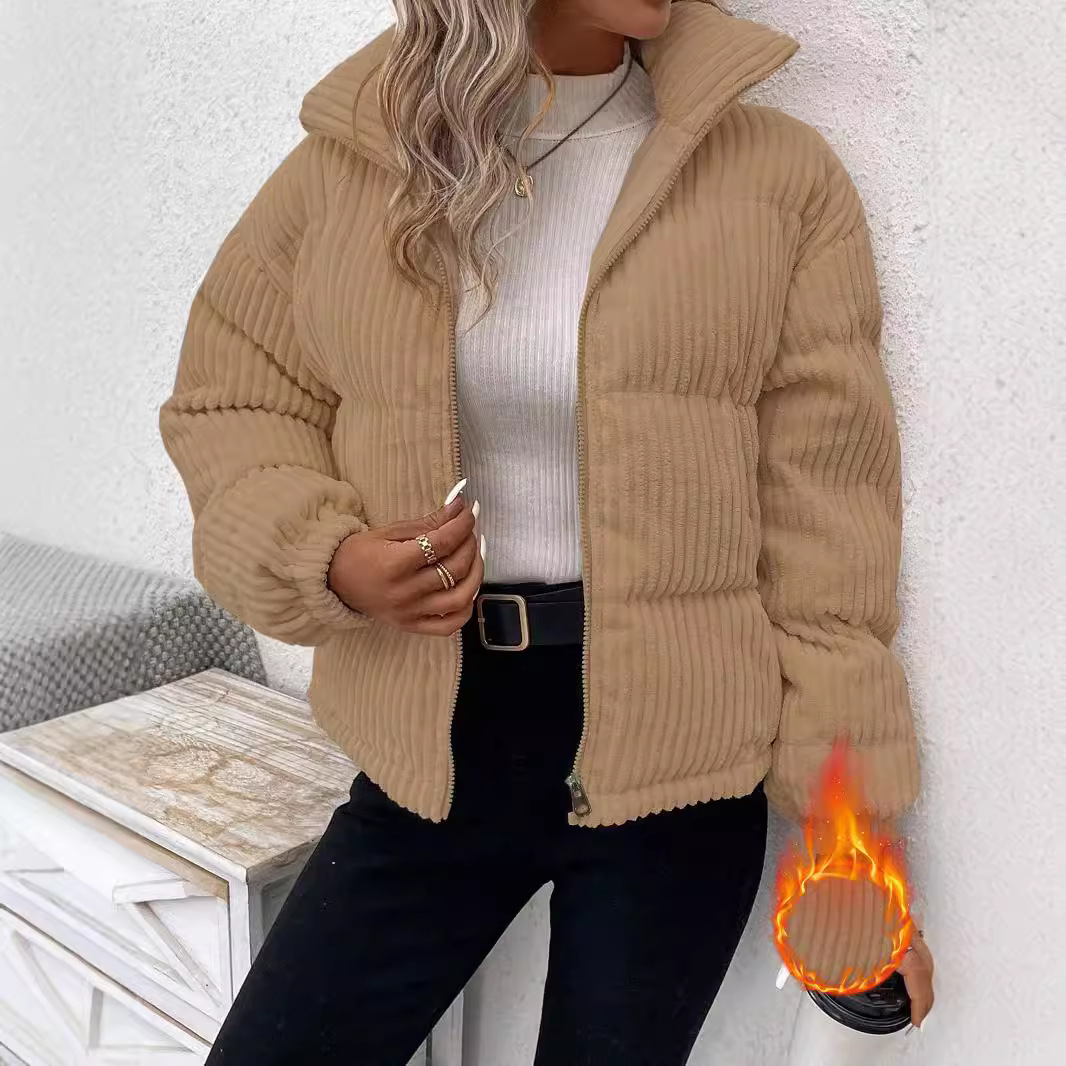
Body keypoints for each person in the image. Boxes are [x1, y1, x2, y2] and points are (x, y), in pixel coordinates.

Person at [160, 1, 935, 1062]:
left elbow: (828, 528)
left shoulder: (776, 179)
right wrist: (327, 557)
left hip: (681, 764)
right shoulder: (354, 167)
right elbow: (233, 399)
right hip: (435, 742)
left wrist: (855, 841)